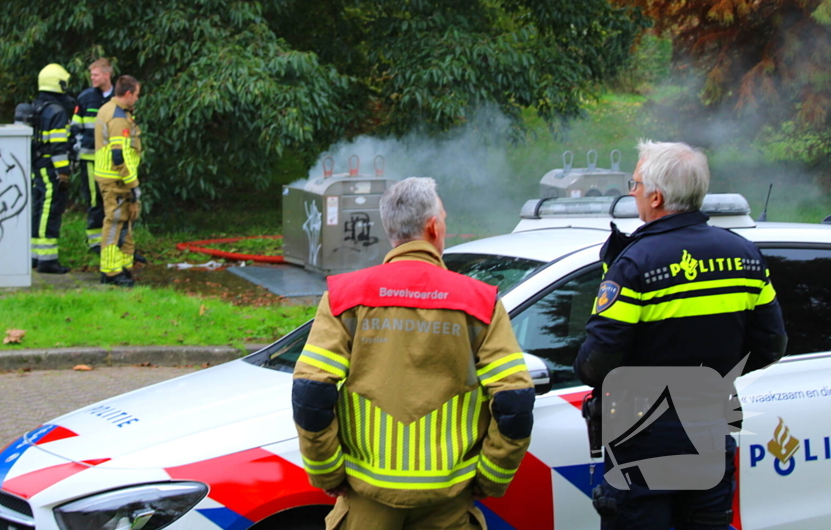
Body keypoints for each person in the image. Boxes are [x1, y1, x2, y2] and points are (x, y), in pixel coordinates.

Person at [292, 177, 534, 530]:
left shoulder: (346, 297)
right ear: (433, 227)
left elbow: (311, 393)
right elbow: (515, 402)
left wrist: (328, 473)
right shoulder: (479, 303)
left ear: (390, 229)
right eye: (445, 220)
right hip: (448, 508)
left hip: (366, 506)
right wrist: (490, 479)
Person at [574, 140, 787, 530]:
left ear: (655, 197)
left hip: (642, 441)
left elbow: (595, 364)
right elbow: (772, 343)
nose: (631, 192)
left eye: (634, 184)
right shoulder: (745, 256)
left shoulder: (634, 263)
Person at [93, 74, 142, 287]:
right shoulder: (118, 117)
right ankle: (112, 272)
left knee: (124, 223)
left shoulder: (111, 109)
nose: (137, 100)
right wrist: (133, 185)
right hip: (116, 179)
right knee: (114, 223)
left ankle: (121, 267)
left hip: (114, 177)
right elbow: (118, 155)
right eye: (137, 95)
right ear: (128, 93)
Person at [31, 63, 75, 274]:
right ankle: (47, 260)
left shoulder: (36, 107)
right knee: (50, 210)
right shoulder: (57, 111)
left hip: (37, 166)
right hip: (50, 168)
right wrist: (63, 172)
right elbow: (58, 145)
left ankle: (34, 255)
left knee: (38, 209)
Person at [72, 57, 114, 254]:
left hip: (113, 160)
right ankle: (96, 244)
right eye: (91, 75)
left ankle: (113, 241)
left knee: (113, 200)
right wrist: (79, 149)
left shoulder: (119, 97)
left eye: (95, 74)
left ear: (107, 75)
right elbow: (75, 128)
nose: (92, 78)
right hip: (90, 159)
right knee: (94, 201)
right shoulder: (86, 97)